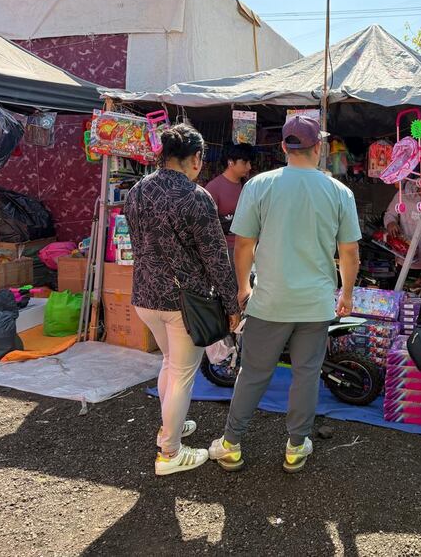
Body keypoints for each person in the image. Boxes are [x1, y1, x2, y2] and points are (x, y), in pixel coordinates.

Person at [209, 114, 361, 474]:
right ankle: (296, 446)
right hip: (315, 302)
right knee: (306, 374)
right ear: (318, 147)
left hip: (269, 299)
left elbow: (244, 244)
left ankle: (231, 444)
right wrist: (347, 294)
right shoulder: (339, 191)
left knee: (254, 372)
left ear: (283, 147)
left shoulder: (259, 185)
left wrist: (243, 286)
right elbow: (349, 253)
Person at [125, 124, 241, 476]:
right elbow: (215, 257)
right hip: (184, 301)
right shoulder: (196, 196)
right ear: (195, 158)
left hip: (145, 295)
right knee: (181, 373)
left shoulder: (137, 191)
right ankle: (170, 452)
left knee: (168, 365)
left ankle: (168, 429)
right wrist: (232, 304)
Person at [205, 143, 254, 269]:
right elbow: (206, 226)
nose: (249, 167)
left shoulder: (249, 186)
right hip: (225, 252)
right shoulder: (213, 188)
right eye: (244, 162)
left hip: (248, 248)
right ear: (230, 162)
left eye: (249, 162)